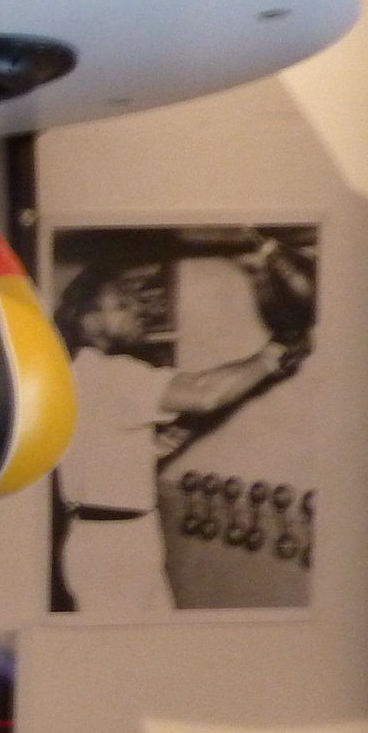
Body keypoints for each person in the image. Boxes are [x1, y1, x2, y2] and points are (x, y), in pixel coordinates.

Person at [52, 255, 309, 613]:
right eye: (122, 305)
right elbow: (203, 393)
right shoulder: (114, 375)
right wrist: (272, 354)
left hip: (111, 538)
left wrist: (150, 450)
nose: (138, 309)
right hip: (114, 550)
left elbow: (95, 451)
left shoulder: (80, 374)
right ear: (91, 321)